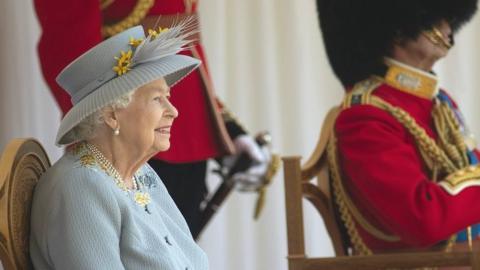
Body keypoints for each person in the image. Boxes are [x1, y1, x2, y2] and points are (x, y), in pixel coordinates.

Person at [33, 0, 275, 238]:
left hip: (184, 135)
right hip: (125, 136)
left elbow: (184, 46)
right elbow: (68, 46)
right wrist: (100, 129)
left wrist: (226, 129)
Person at [30, 22, 209, 269]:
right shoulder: (82, 188)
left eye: (168, 98)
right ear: (113, 114)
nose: (174, 111)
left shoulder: (140, 174)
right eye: (157, 99)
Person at [316, 0, 480, 255]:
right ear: (397, 29)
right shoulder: (364, 117)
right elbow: (422, 219)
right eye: (436, 17)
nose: (448, 27)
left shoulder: (439, 103)